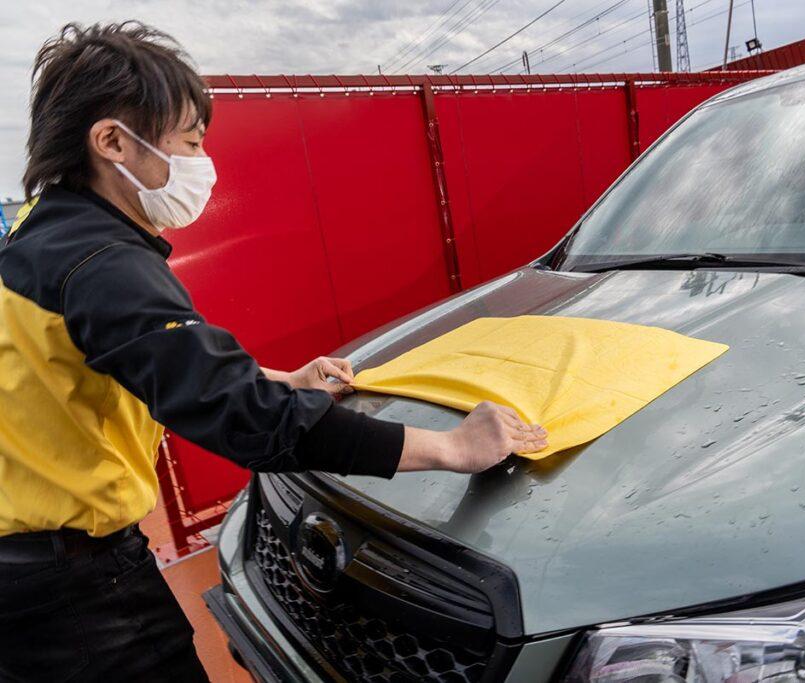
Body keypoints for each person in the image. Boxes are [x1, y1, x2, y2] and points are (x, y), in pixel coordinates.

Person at [0, 21, 547, 682]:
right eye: (190, 142)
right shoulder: (102, 262)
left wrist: (284, 379)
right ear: (113, 141)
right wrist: (452, 448)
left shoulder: (39, 234)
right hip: (74, 591)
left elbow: (133, 363)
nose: (202, 162)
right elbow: (243, 417)